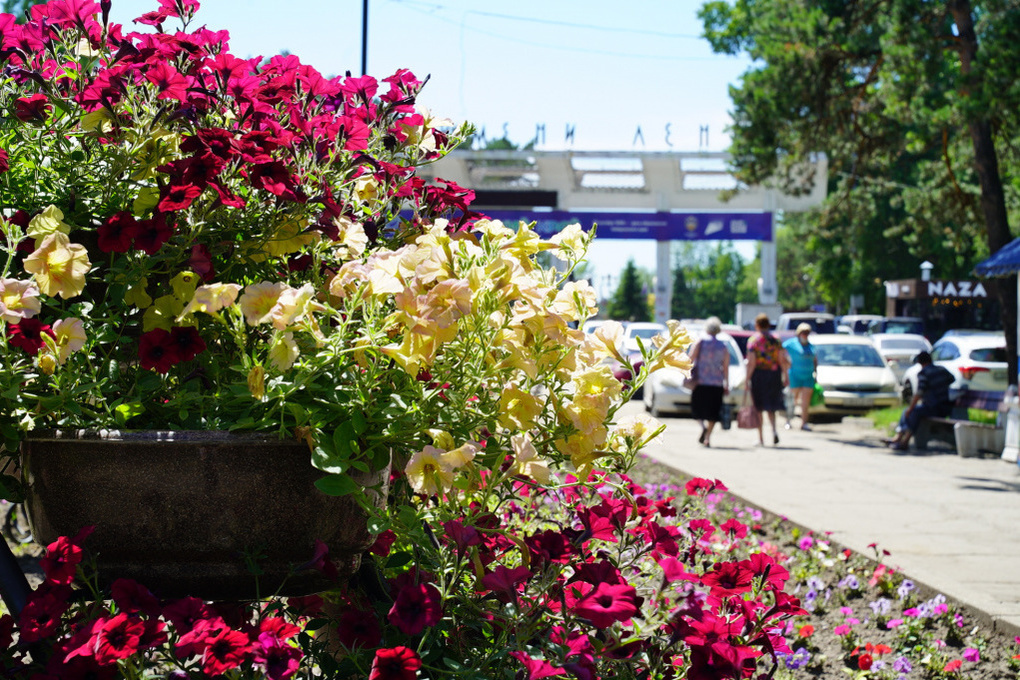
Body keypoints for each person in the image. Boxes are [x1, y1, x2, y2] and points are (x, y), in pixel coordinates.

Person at [888, 351, 954, 451]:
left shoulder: (924, 373)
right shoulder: (942, 370)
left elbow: (919, 393)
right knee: (908, 411)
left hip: (934, 408)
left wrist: (911, 407)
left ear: (920, 363)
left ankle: (904, 440)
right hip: (946, 407)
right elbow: (952, 379)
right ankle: (898, 437)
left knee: (912, 412)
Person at [744, 313, 789, 446]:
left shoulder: (754, 340)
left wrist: (747, 379)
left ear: (757, 325)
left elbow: (751, 362)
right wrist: (785, 376)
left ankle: (761, 438)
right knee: (771, 406)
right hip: (774, 375)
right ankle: (774, 431)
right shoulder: (776, 340)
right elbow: (782, 360)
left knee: (759, 407)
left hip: (759, 375)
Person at [688, 317, 730, 447]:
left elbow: (690, 359)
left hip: (701, 381)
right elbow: (726, 367)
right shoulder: (723, 346)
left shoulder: (700, 342)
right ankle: (707, 438)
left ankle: (702, 427)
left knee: (697, 409)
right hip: (717, 383)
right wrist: (727, 383)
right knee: (713, 412)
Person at [782, 323, 818, 431]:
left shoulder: (811, 346)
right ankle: (788, 421)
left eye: (807, 333)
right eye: (803, 333)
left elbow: (815, 361)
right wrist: (787, 364)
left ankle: (804, 422)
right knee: (793, 399)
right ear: (799, 333)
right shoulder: (792, 344)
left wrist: (816, 373)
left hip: (808, 376)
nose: (805, 335)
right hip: (795, 375)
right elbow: (781, 352)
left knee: (805, 401)